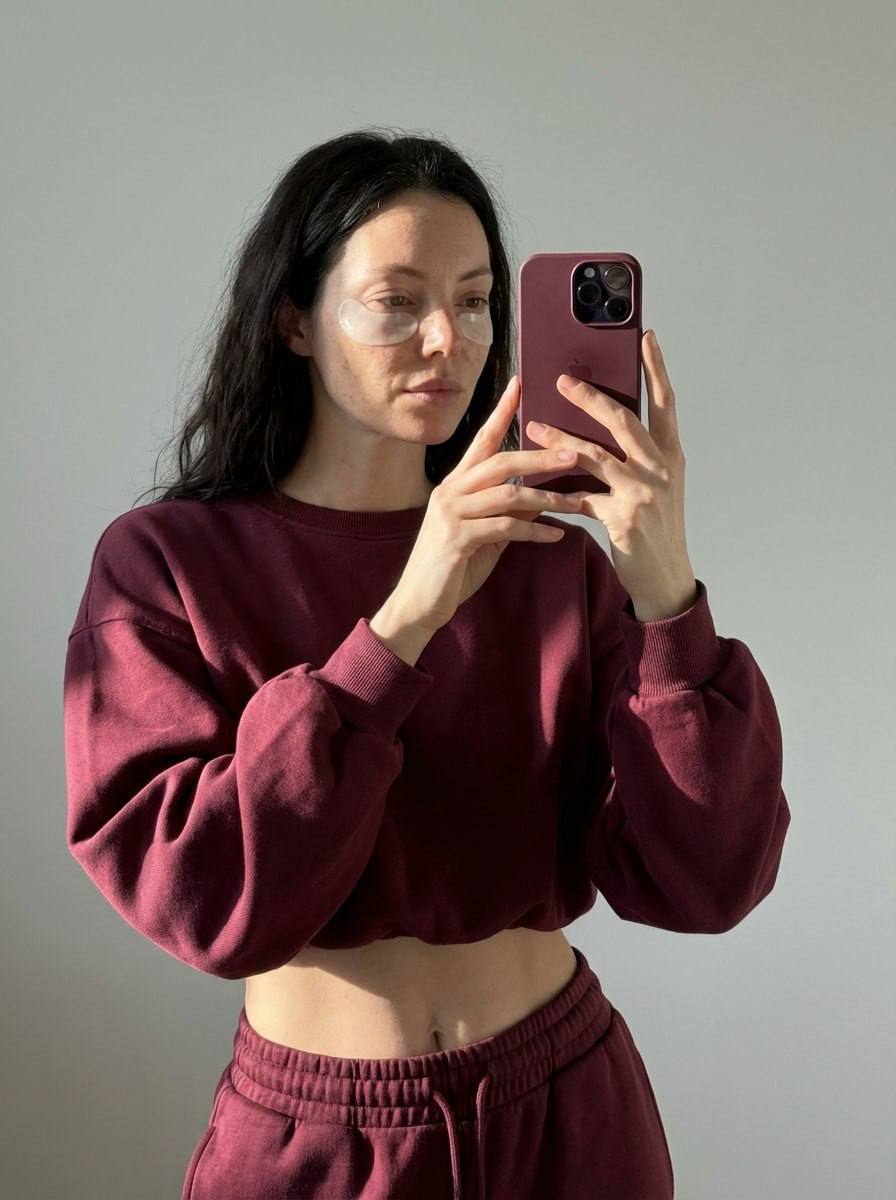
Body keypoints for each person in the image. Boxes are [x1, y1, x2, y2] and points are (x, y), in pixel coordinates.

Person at [63, 129, 791, 1200]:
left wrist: (664, 592)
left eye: (476, 299)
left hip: (568, 1115)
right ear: (293, 319)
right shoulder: (166, 565)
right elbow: (202, 895)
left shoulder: (550, 563)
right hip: (318, 1142)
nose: (448, 340)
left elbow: (708, 882)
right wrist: (406, 617)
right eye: (397, 301)